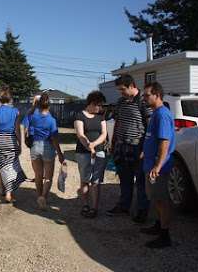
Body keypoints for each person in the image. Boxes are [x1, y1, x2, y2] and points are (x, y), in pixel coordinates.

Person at [107, 74, 151, 223]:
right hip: (121, 146)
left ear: (132, 86)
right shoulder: (121, 102)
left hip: (137, 147)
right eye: (119, 90)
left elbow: (150, 126)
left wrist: (145, 148)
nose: (121, 92)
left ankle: (142, 210)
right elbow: (117, 122)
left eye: (123, 89)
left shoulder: (143, 102)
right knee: (124, 179)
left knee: (140, 181)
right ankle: (124, 206)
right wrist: (113, 143)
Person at [140, 82, 175, 248]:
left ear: (157, 95)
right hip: (150, 163)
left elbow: (164, 143)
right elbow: (152, 138)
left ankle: (165, 235)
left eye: (147, 95)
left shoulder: (162, 115)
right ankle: (158, 225)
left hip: (157, 167)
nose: (144, 98)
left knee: (161, 200)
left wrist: (158, 166)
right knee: (155, 198)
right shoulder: (155, 113)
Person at [24, 92, 65, 210]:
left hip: (35, 146)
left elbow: (27, 129)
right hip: (48, 147)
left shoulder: (32, 116)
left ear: (39, 104)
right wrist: (60, 153)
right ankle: (44, 197)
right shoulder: (51, 120)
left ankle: (38, 196)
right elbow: (54, 138)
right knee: (48, 177)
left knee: (38, 175)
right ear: (49, 106)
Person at [0, 86, 26, 203]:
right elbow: (17, 130)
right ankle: (8, 193)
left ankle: (1, 190)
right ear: (9, 99)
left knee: (1, 165)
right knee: (11, 167)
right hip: (11, 141)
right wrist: (20, 144)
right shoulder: (16, 112)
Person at [74, 91, 108, 218]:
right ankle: (85, 205)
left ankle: (94, 208)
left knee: (96, 181)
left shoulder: (101, 117)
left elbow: (104, 134)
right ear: (92, 103)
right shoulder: (80, 116)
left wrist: (93, 145)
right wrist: (88, 146)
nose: (101, 108)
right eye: (99, 105)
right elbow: (80, 135)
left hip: (99, 152)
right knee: (85, 180)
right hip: (83, 153)